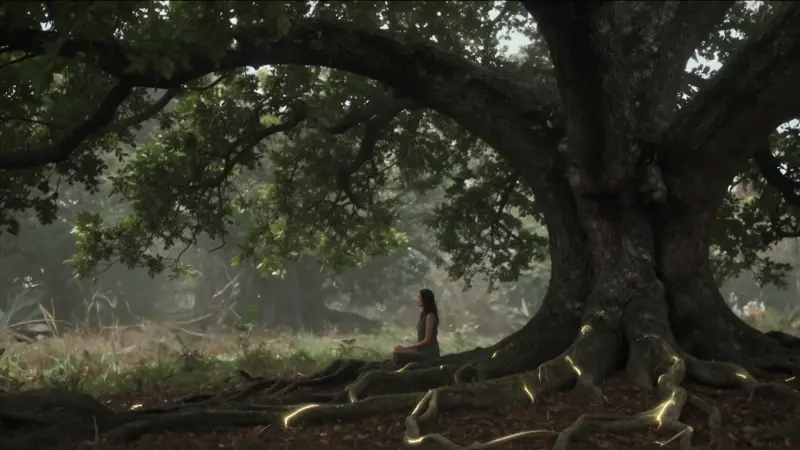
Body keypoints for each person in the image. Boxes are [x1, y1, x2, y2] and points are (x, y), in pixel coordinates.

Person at [392, 288, 440, 365]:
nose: (418, 299)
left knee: (396, 354)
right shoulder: (424, 315)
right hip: (420, 350)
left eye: (420, 297)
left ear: (425, 300)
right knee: (397, 352)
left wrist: (406, 347)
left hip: (428, 353)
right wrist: (406, 347)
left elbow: (427, 340)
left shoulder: (430, 317)